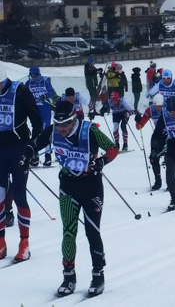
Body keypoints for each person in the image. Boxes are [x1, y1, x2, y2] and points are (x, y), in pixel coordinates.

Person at [30, 100, 117, 297]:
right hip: (68, 186)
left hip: (91, 186)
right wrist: (27, 152)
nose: (61, 129)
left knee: (92, 231)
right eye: (58, 124)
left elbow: (112, 148)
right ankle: (69, 276)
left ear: (73, 120)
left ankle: (98, 274)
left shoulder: (89, 131)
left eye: (65, 124)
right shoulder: (53, 131)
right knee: (68, 231)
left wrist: (102, 161)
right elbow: (36, 143)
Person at [0, 67, 42, 262]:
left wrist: (32, 147)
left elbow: (37, 121)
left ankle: (24, 243)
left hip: (18, 149)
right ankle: (1, 242)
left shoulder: (20, 91)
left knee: (18, 195)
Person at [25, 65, 57, 166]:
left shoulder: (45, 81)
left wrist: (47, 96)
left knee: (45, 131)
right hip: (35, 110)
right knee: (36, 132)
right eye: (32, 75)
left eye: (35, 75)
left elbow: (53, 93)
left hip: (45, 109)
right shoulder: (28, 83)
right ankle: (35, 156)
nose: (34, 77)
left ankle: (48, 155)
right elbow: (24, 95)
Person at [136, 94, 165, 190]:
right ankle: (158, 180)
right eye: (156, 106)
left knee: (169, 159)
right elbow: (139, 126)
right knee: (153, 157)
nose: (158, 108)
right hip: (157, 134)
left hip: (169, 134)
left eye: (160, 107)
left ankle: (171, 182)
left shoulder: (168, 108)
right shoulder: (150, 110)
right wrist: (138, 120)